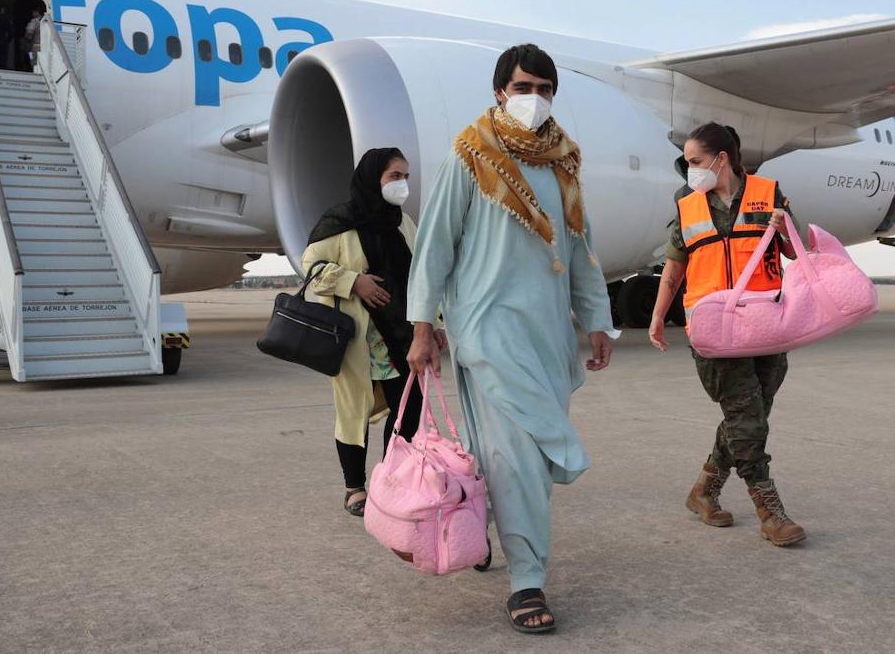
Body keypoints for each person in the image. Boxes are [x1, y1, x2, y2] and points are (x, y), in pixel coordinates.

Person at [406, 43, 614, 634]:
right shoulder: (470, 155)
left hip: (548, 335)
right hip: (487, 330)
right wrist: (424, 328)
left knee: (507, 457)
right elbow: (434, 248)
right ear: (500, 90)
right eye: (524, 87)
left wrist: (596, 319)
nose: (535, 98)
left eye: (546, 88)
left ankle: (480, 523)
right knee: (518, 456)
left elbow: (580, 249)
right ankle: (527, 580)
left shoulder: (563, 163)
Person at [649, 122, 807, 549]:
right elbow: (674, 266)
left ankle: (704, 491)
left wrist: (787, 222)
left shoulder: (769, 193)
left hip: (767, 326)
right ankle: (770, 511)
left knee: (749, 418)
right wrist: (658, 316)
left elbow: (798, 250)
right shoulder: (687, 204)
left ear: (722, 158)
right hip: (715, 330)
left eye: (695, 160)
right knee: (747, 418)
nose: (689, 169)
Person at [301, 148, 445, 517]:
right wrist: (354, 281)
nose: (402, 185)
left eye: (406, 177)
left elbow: (422, 277)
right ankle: (355, 488)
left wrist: (436, 324)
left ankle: (395, 478)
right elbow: (312, 269)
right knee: (353, 415)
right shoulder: (339, 223)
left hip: (402, 339)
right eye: (394, 176)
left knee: (408, 411)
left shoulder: (402, 223)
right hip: (358, 342)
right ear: (372, 178)